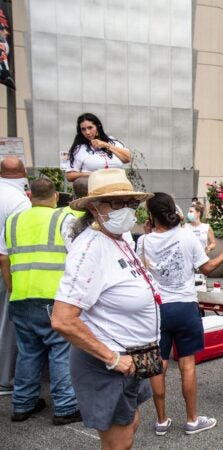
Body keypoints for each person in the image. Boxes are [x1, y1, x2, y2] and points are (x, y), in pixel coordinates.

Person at [51, 168, 156, 449]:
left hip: (135, 355)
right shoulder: (90, 248)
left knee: (131, 422)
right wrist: (112, 358)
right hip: (111, 362)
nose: (126, 210)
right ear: (95, 208)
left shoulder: (120, 239)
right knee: (118, 442)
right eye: (116, 203)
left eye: (130, 203)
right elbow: (63, 320)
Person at [139, 193, 223, 436]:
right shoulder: (187, 236)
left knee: (157, 365)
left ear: (151, 215)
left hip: (157, 308)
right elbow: (207, 268)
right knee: (187, 365)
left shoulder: (142, 241)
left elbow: (139, 272)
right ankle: (192, 420)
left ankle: (161, 420)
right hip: (185, 306)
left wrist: (147, 232)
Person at [0, 178, 81, 425]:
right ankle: (65, 407)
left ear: (29, 195)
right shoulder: (63, 219)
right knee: (60, 350)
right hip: (54, 298)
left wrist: (13, 288)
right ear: (56, 196)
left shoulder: (13, 221)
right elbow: (78, 256)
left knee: (28, 351)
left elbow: (4, 260)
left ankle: (23, 404)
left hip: (21, 296)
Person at [0, 157, 30, 397]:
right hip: (6, 267)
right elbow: (8, 251)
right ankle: (5, 379)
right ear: (23, 173)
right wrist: (12, 288)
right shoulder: (20, 201)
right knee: (7, 326)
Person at [65, 113, 132, 182]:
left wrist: (106, 145)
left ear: (98, 126)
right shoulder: (79, 149)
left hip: (118, 187)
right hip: (93, 189)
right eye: (83, 129)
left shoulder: (112, 141)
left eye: (90, 128)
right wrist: (89, 174)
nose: (87, 132)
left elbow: (127, 158)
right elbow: (69, 176)